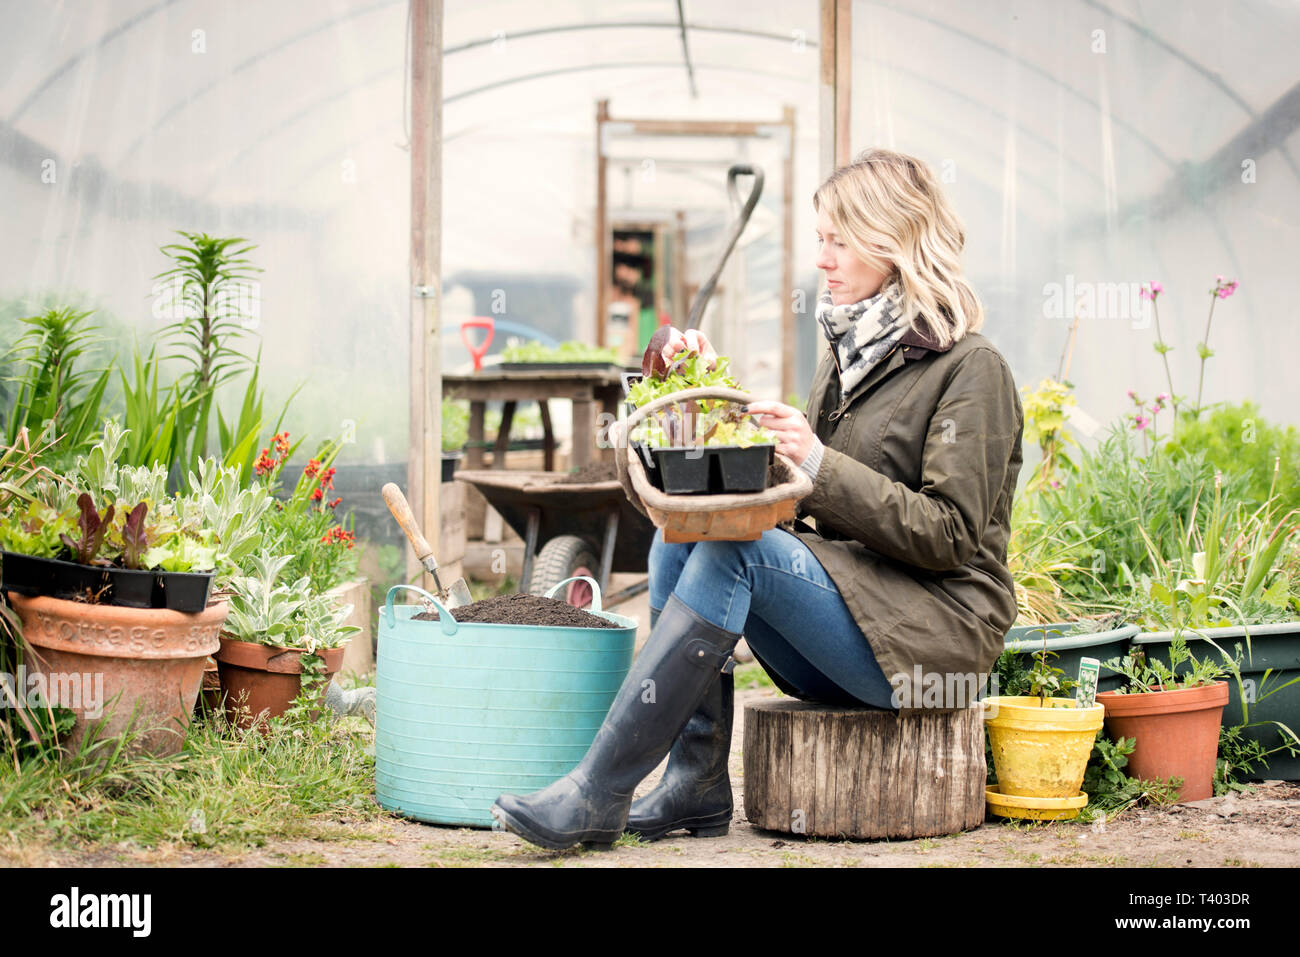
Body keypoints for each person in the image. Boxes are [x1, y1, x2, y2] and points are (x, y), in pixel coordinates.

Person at [491, 148, 1024, 850]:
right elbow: (798, 501)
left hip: (930, 644)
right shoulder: (850, 355)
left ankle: (598, 789)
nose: (824, 260)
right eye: (821, 241)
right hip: (857, 620)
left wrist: (818, 461)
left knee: (736, 554)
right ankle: (695, 780)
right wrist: (708, 386)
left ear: (893, 242)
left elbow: (949, 533)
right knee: (682, 534)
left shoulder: (971, 368)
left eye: (839, 240)